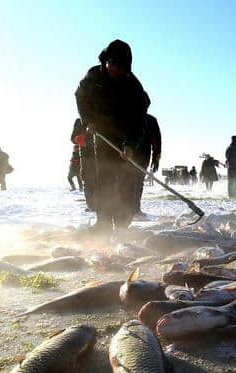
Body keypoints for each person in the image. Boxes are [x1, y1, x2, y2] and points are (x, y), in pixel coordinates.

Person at [75, 39, 150, 234]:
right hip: (102, 134)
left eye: (119, 66)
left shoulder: (134, 88)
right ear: (105, 60)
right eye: (111, 64)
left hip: (127, 135)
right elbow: (80, 96)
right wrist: (87, 120)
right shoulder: (94, 75)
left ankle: (123, 225)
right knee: (105, 178)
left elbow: (139, 122)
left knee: (126, 178)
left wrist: (131, 145)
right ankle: (104, 223)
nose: (114, 69)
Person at [132, 114, 161, 215]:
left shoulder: (150, 120)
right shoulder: (127, 116)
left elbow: (156, 140)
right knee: (132, 182)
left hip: (142, 156)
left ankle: (135, 209)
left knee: (137, 182)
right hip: (127, 155)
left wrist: (156, 157)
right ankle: (129, 209)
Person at [71, 118, 96, 210]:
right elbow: (73, 138)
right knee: (88, 181)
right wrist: (80, 139)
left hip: (103, 155)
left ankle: (102, 205)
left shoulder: (100, 118)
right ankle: (91, 206)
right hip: (87, 156)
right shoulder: (80, 121)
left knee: (102, 181)